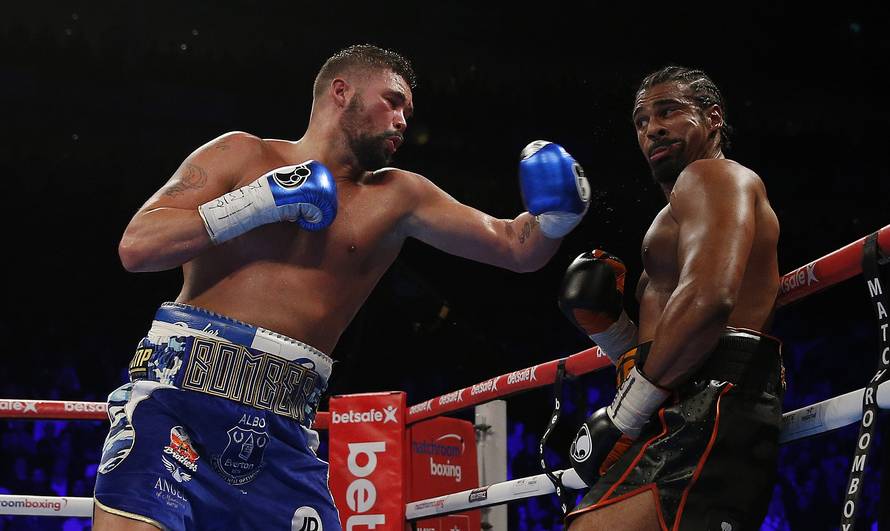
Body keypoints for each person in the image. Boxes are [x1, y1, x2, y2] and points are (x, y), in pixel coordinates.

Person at [92, 44, 589, 531]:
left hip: (284, 427)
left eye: (407, 112)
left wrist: (557, 217)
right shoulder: (243, 153)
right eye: (392, 101)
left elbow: (516, 248)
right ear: (341, 91)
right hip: (175, 396)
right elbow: (137, 247)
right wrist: (259, 201)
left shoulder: (399, 197)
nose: (402, 120)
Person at [559, 66, 784, 530]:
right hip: (679, 400)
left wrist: (625, 413)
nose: (653, 129)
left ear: (713, 118)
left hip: (713, 399)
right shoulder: (677, 213)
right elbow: (664, 342)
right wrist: (611, 330)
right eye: (641, 121)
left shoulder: (713, 176)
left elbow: (708, 300)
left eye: (668, 112)